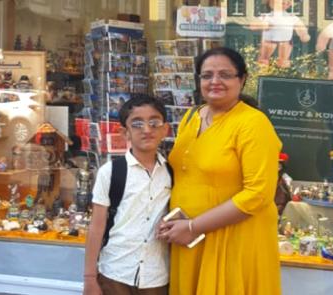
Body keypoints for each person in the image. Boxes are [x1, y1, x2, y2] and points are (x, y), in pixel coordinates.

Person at [157, 47, 282, 294]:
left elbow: (258, 194)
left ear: (242, 79)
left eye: (225, 74)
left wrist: (195, 226)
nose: (215, 81)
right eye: (207, 75)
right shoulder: (192, 116)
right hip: (189, 238)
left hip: (232, 240)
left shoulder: (253, 123)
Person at [83, 94, 171, 295]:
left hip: (156, 275)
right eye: (137, 124)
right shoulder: (111, 172)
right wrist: (89, 277)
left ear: (165, 129)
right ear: (125, 132)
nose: (147, 129)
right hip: (115, 272)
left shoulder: (171, 173)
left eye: (154, 122)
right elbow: (97, 226)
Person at [250, 0, 310, 68]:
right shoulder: (266, 16)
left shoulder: (291, 17)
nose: (284, 2)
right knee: (264, 58)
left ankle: (283, 66)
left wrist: (303, 34)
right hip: (269, 40)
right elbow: (253, 25)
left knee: (284, 57)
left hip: (285, 41)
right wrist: (262, 24)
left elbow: (299, 25)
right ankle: (263, 66)